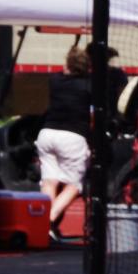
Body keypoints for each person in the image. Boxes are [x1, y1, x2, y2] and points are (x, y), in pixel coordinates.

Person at [36, 45, 92, 241]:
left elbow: (63, 74)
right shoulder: (88, 85)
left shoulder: (55, 81)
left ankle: (43, 220)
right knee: (74, 185)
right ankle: (47, 221)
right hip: (73, 137)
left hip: (47, 134)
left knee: (50, 181)